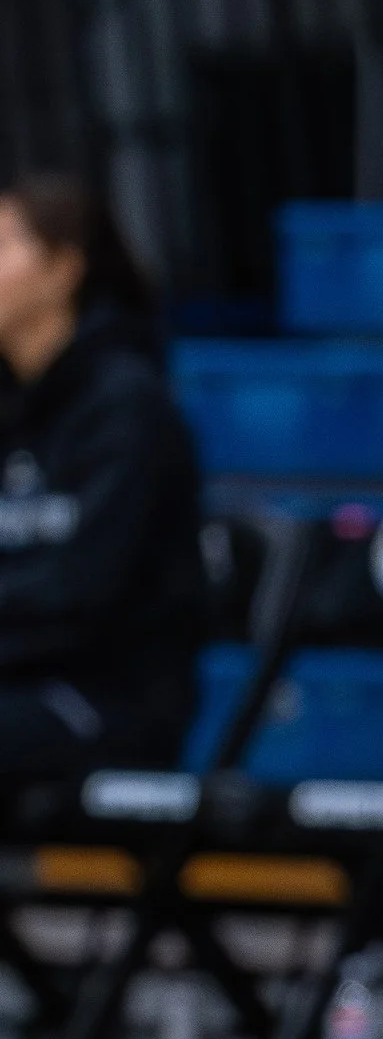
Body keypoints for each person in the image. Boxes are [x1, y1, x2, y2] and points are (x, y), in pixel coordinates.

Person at [0, 174, 204, 780]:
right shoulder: (10, 405)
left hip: (104, 694)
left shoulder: (128, 408)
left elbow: (85, 589)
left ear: (63, 269)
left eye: (3, 245)